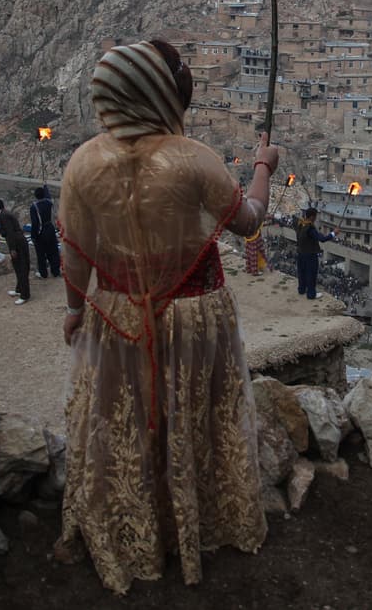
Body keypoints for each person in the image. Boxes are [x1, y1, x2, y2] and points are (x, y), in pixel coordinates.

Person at [55, 40, 275, 593]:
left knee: (130, 422)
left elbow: (76, 252)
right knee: (194, 416)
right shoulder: (191, 157)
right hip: (193, 315)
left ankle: (136, 530)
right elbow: (247, 222)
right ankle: (198, 522)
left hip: (117, 316)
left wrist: (75, 310)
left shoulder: (83, 163)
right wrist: (263, 168)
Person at [0, 198, 31, 304]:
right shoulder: (5, 214)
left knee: (21, 267)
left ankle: (25, 294)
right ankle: (19, 289)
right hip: (18, 240)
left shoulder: (3, 216)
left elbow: (10, 232)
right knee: (17, 267)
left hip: (17, 243)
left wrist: (13, 249)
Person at [295, 208, 337, 298]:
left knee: (302, 272)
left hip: (300, 252)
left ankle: (301, 290)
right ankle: (311, 294)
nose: (316, 218)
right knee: (311, 274)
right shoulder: (310, 228)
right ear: (312, 217)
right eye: (315, 216)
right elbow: (322, 239)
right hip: (310, 254)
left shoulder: (301, 224)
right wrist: (333, 233)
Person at [30, 185, 62, 279]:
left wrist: (33, 236)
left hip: (41, 232)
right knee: (53, 251)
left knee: (41, 254)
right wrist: (45, 186)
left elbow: (35, 223)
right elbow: (48, 196)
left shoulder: (34, 207)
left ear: (35, 196)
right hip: (50, 230)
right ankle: (55, 271)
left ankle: (43, 273)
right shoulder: (49, 203)